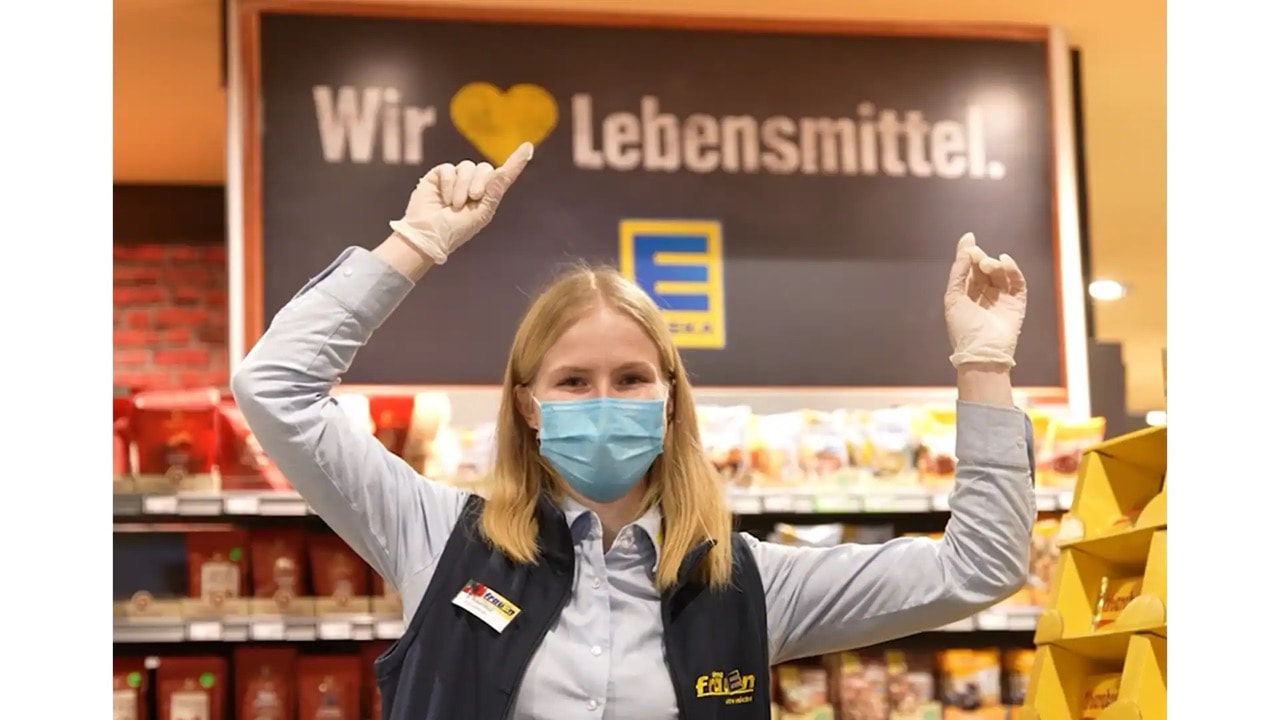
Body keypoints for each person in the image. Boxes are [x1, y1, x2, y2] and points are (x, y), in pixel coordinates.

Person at [232, 143, 1036, 720]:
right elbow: (274, 387)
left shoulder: (753, 586)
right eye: (573, 381)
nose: (604, 399)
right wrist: (413, 246)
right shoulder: (438, 538)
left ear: (671, 401)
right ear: (528, 405)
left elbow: (980, 568)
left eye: (631, 380)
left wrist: (983, 360)